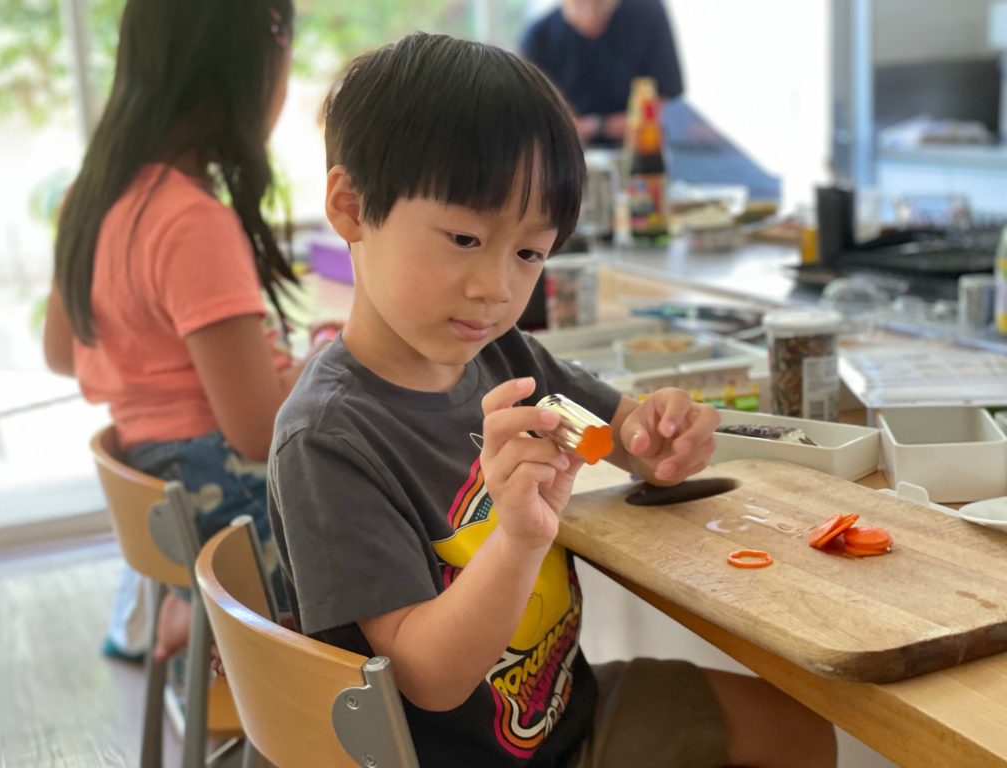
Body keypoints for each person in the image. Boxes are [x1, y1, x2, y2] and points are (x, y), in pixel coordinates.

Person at [268, 32, 836, 768]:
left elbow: (614, 438)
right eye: (466, 238)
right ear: (350, 207)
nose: (496, 287)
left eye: (529, 252)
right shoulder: (329, 439)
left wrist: (657, 435)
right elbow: (431, 680)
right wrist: (518, 540)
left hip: (570, 712)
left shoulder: (500, 355)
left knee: (797, 729)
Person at [43, 0, 312, 664]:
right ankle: (212, 623)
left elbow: (60, 351)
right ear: (246, 67)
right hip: (229, 523)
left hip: (170, 501)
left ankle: (193, 613)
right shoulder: (191, 221)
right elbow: (254, 431)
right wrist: (323, 361)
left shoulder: (92, 198)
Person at [521, 0, 684, 147]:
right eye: (580, 6)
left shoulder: (649, 15)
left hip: (638, 147)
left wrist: (597, 127)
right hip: (568, 151)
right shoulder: (538, 37)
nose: (590, 15)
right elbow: (545, 119)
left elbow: (662, 97)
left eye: (600, 5)